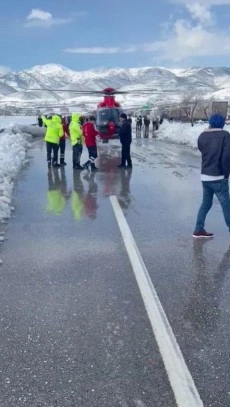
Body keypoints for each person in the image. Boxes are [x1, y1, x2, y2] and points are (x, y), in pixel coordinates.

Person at [193, 114, 230, 238]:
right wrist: (226, 174)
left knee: (206, 203)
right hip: (219, 176)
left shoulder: (202, 136)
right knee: (226, 204)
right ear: (222, 123)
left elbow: (202, 150)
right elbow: (226, 157)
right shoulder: (225, 135)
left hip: (205, 176)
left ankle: (198, 229)